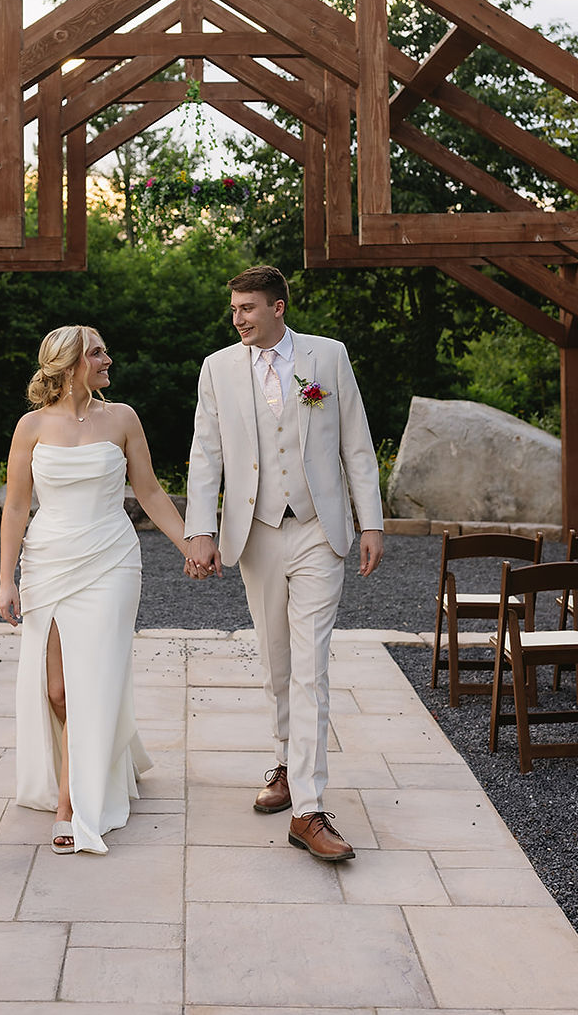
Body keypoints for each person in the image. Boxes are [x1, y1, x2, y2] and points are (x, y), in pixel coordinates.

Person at [184, 266, 384, 863]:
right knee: (276, 661)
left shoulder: (328, 358)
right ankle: (286, 762)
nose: (238, 317)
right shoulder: (218, 367)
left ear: (277, 306)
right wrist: (200, 528)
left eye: (248, 307)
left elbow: (356, 442)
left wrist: (369, 520)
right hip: (257, 531)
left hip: (321, 530)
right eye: (234, 309)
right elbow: (206, 451)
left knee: (311, 664)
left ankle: (308, 808)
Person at [0, 324, 206, 854]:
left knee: (93, 680)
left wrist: (191, 544)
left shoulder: (123, 419)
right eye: (97, 353)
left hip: (112, 561)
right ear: (69, 366)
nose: (108, 359)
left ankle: (72, 806)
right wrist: (5, 578)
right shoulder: (31, 426)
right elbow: (18, 506)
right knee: (57, 691)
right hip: (46, 563)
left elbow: (152, 492)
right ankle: (108, 756)